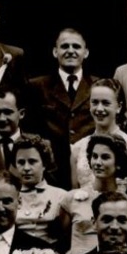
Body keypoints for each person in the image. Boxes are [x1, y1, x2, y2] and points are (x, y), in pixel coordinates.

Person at [27, 27, 94, 185]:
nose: (70, 51)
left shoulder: (98, 86)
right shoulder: (36, 86)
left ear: (86, 52)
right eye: (64, 46)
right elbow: (30, 128)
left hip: (89, 167)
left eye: (76, 46)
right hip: (51, 170)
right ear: (54, 52)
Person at [61, 134, 127, 254]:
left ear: (118, 163)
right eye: (94, 156)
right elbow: (61, 241)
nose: (98, 162)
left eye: (105, 157)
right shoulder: (71, 198)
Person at [69, 77, 127, 192]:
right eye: (95, 102)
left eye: (106, 103)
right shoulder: (77, 148)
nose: (99, 109)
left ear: (119, 107)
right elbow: (74, 192)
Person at [6, 134, 69, 251]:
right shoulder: (10, 196)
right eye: (20, 162)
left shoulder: (61, 196)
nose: (26, 168)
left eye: (32, 161)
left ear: (44, 164)